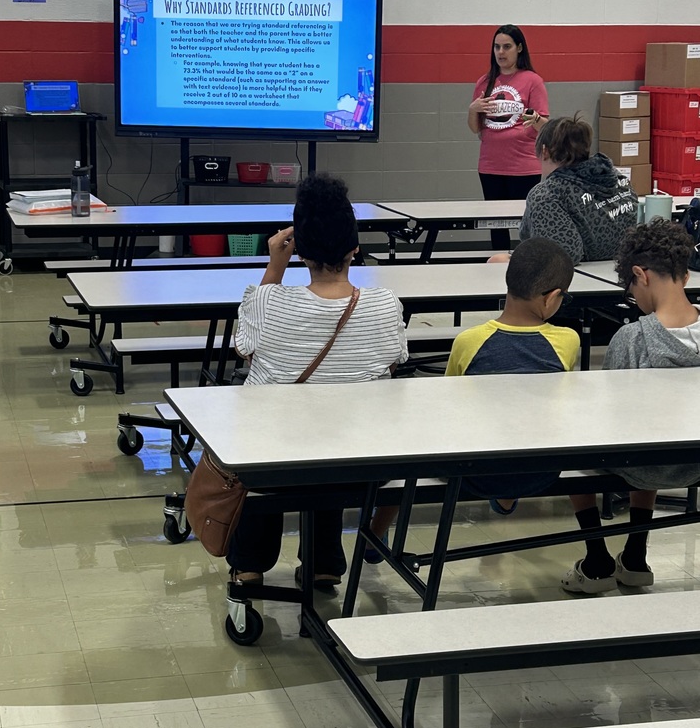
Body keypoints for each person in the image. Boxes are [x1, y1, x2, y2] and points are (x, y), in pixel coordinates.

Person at [226, 173, 408, 589]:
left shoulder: (268, 299)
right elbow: (394, 364)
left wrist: (275, 265)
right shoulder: (386, 303)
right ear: (355, 247)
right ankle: (324, 563)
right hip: (360, 464)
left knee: (275, 432)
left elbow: (245, 348)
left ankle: (250, 565)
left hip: (278, 462)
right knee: (334, 423)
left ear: (299, 249)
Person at [366, 238, 579, 559]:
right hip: (540, 469)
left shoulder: (469, 341)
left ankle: (374, 537)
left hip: (472, 472)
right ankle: (506, 500)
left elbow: (450, 405)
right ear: (551, 299)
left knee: (414, 446)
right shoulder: (568, 341)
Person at [561, 219, 700, 594]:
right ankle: (635, 554)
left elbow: (613, 419)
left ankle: (596, 560)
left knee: (570, 448)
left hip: (643, 462)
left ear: (641, 274)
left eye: (631, 287)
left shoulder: (631, 338)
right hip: (695, 462)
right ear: (685, 275)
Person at [517, 115, 638, 265]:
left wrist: (514, 260)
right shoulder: (619, 180)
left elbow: (560, 256)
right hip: (626, 271)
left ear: (544, 151)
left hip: (580, 279)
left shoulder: (547, 195)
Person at [468, 25, 549, 232]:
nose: (501, 52)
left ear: (519, 48)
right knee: (496, 224)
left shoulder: (533, 81)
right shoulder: (485, 82)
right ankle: (497, 260)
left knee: (526, 222)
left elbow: (545, 127)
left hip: (524, 166)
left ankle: (526, 262)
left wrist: (536, 118)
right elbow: (475, 127)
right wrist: (472, 109)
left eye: (506, 46)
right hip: (490, 165)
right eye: (497, 47)